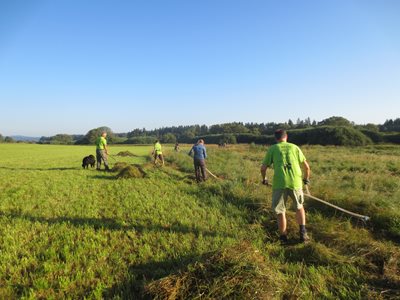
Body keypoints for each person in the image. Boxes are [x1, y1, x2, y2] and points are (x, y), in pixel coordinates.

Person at [260, 129, 311, 244]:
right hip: (296, 183)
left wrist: (264, 179)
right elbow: (307, 167)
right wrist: (306, 179)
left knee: (280, 211)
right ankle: (303, 234)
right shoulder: (295, 147)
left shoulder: (273, 149)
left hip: (279, 184)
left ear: (276, 138)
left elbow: (263, 168)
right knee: (299, 207)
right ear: (286, 136)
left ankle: (283, 238)